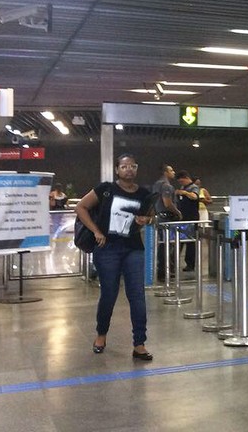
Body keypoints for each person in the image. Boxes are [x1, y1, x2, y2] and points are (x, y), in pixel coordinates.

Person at [75, 153, 154, 361]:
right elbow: (81, 207)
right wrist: (96, 231)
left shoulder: (144, 194)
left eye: (133, 166)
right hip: (107, 249)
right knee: (109, 294)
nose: (129, 169)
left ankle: (139, 343)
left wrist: (146, 220)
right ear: (117, 170)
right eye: (124, 166)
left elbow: (149, 216)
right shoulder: (106, 189)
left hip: (133, 249)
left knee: (137, 296)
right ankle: (101, 335)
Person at [151, 164, 182, 280]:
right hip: (167, 218)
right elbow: (167, 203)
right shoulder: (166, 186)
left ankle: (162, 270)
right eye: (171, 170)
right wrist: (178, 212)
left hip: (159, 216)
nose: (173, 172)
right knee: (167, 245)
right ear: (165, 172)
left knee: (162, 244)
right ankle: (164, 272)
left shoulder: (156, 184)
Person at [174, 170, 201, 271]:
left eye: (181, 181)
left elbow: (195, 196)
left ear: (186, 178)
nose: (181, 184)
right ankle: (175, 262)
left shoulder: (193, 187)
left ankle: (190, 264)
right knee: (180, 241)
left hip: (191, 217)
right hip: (183, 218)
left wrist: (185, 193)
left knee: (190, 243)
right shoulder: (183, 187)